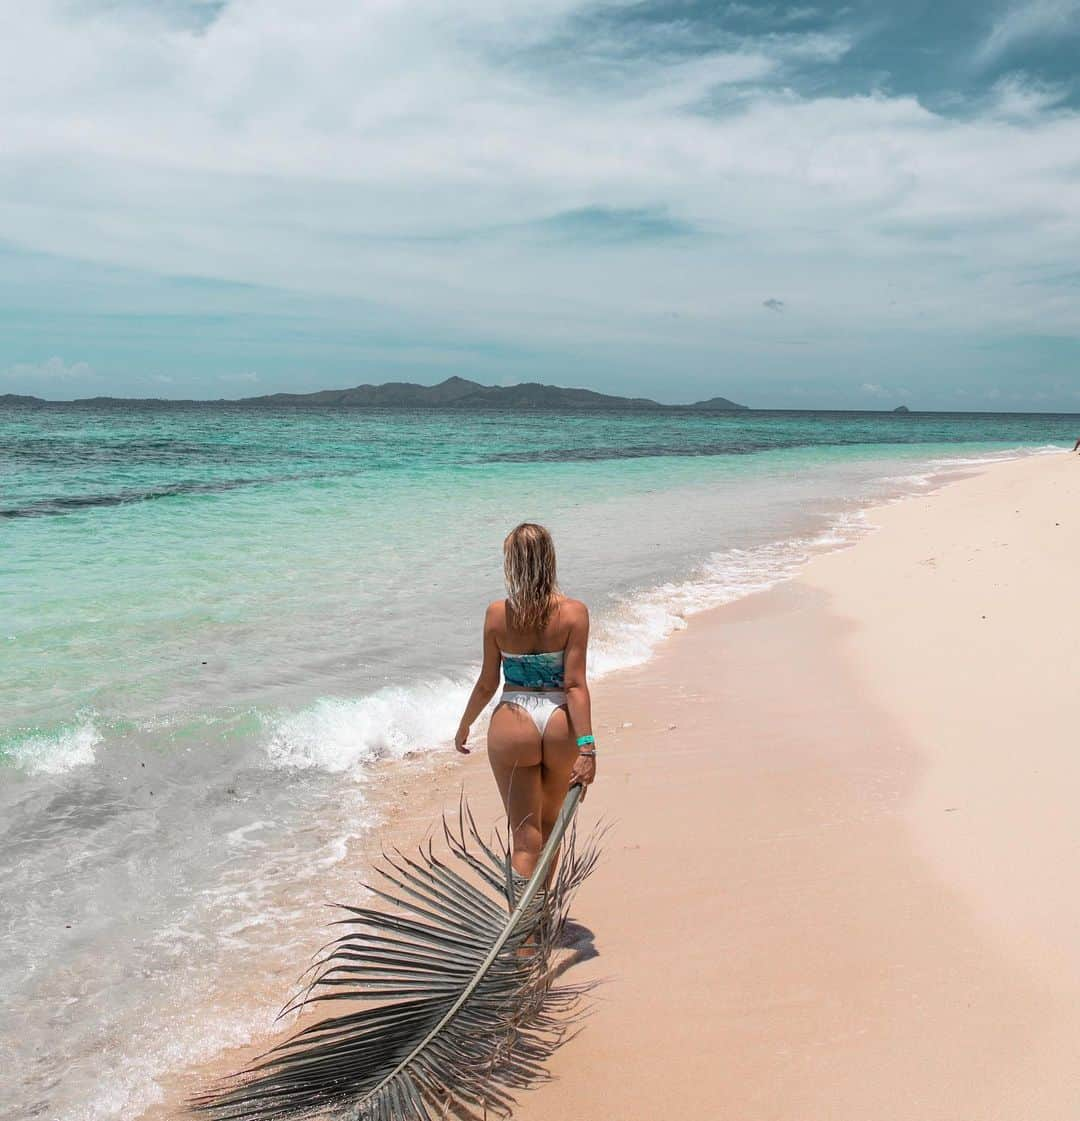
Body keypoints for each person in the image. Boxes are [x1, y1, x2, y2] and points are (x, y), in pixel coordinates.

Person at [455, 523, 596, 882]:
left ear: (511, 564)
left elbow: (488, 682)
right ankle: (541, 919)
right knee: (549, 830)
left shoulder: (497, 614)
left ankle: (523, 932)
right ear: (550, 560)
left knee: (524, 838)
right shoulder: (574, 613)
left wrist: (465, 723)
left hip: (513, 720)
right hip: (560, 723)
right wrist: (587, 748)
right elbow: (575, 684)